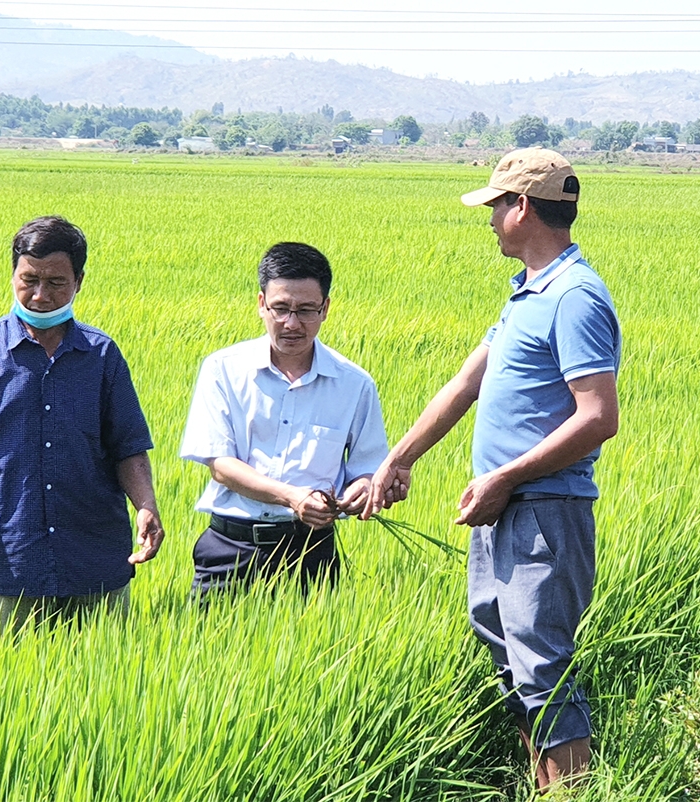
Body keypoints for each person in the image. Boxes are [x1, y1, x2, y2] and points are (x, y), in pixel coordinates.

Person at [364, 149, 620, 791]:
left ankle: (572, 791)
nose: (489, 218)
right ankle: (544, 784)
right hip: (505, 507)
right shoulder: (526, 294)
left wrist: (505, 478)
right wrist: (399, 458)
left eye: (496, 205)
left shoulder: (574, 297)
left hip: (544, 510)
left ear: (522, 207)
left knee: (542, 663)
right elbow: (465, 384)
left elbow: (598, 416)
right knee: (508, 651)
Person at [0, 215, 164, 634]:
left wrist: (146, 505)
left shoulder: (101, 356)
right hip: (9, 558)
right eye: (29, 280)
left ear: (79, 281)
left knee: (105, 668)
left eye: (56, 282)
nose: (41, 295)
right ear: (13, 274)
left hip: (95, 559)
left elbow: (128, 448)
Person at [180, 242, 388, 599]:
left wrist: (363, 489)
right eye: (280, 309)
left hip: (312, 554)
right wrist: (292, 498)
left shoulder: (354, 384)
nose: (292, 323)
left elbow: (368, 468)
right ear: (261, 304)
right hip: (231, 549)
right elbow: (221, 466)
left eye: (306, 310)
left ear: (325, 309)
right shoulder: (223, 370)